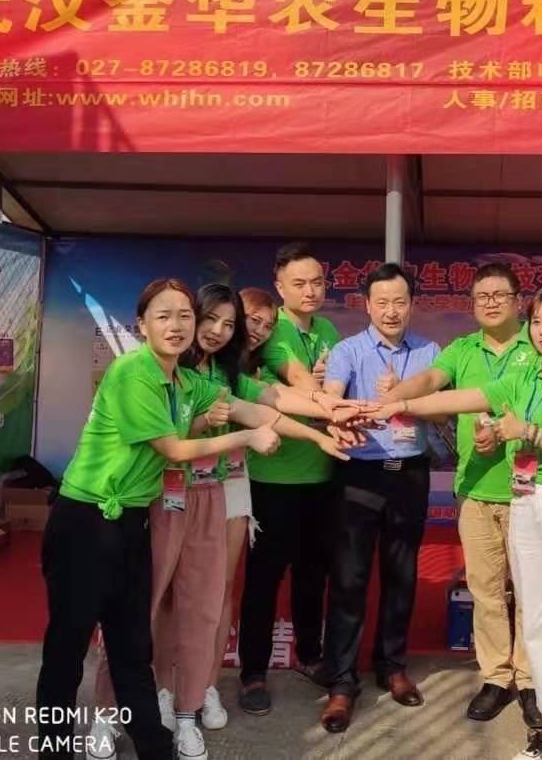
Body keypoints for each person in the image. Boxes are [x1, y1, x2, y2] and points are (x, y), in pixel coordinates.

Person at [87, 283, 356, 760]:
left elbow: (266, 404)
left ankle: (187, 709)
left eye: (229, 324)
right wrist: (233, 431)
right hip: (155, 498)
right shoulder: (151, 371)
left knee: (204, 609)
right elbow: (175, 442)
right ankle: (111, 712)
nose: (216, 331)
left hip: (212, 497)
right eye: (208, 318)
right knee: (140, 609)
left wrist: (323, 424)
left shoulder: (216, 378)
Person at [35, 279, 281, 760]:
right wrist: (245, 438)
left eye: (185, 315)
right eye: (163, 315)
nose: (177, 325)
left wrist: (328, 416)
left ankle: (153, 745)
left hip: (132, 522)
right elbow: (174, 449)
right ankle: (55, 748)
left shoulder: (187, 383)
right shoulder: (133, 372)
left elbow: (247, 407)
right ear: (141, 324)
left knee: (132, 644)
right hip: (85, 520)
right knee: (67, 646)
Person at [371, 285, 542, 760]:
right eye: (537, 321)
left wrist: (528, 431)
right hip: (527, 501)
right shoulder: (525, 377)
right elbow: (462, 398)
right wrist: (398, 406)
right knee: (538, 621)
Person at [379, 263, 542, 728]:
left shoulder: (538, 345)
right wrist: (396, 398)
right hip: (474, 489)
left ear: (518, 300)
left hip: (529, 491)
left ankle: (531, 681)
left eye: (499, 294)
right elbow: (430, 381)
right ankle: (496, 677)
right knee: (486, 593)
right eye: (481, 296)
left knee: (530, 592)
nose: (490, 303)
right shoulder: (462, 349)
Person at [318, 262, 442, 734]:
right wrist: (345, 413)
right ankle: (341, 682)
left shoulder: (430, 351)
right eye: (383, 302)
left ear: (412, 305)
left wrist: (406, 399)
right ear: (367, 305)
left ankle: (392, 667)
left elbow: (441, 409)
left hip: (410, 474)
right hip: (360, 474)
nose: (392, 311)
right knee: (348, 578)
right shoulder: (348, 350)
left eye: (400, 302)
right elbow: (331, 396)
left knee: (401, 574)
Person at [238, 244, 346, 716]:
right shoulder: (272, 328)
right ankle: (253, 672)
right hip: (272, 476)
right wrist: (323, 396)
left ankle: (309, 654)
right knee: (264, 578)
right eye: (299, 283)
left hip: (321, 475)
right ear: (279, 286)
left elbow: (337, 380)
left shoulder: (328, 330)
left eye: (317, 282)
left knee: (313, 573)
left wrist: (338, 394)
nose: (310, 290)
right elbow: (295, 377)